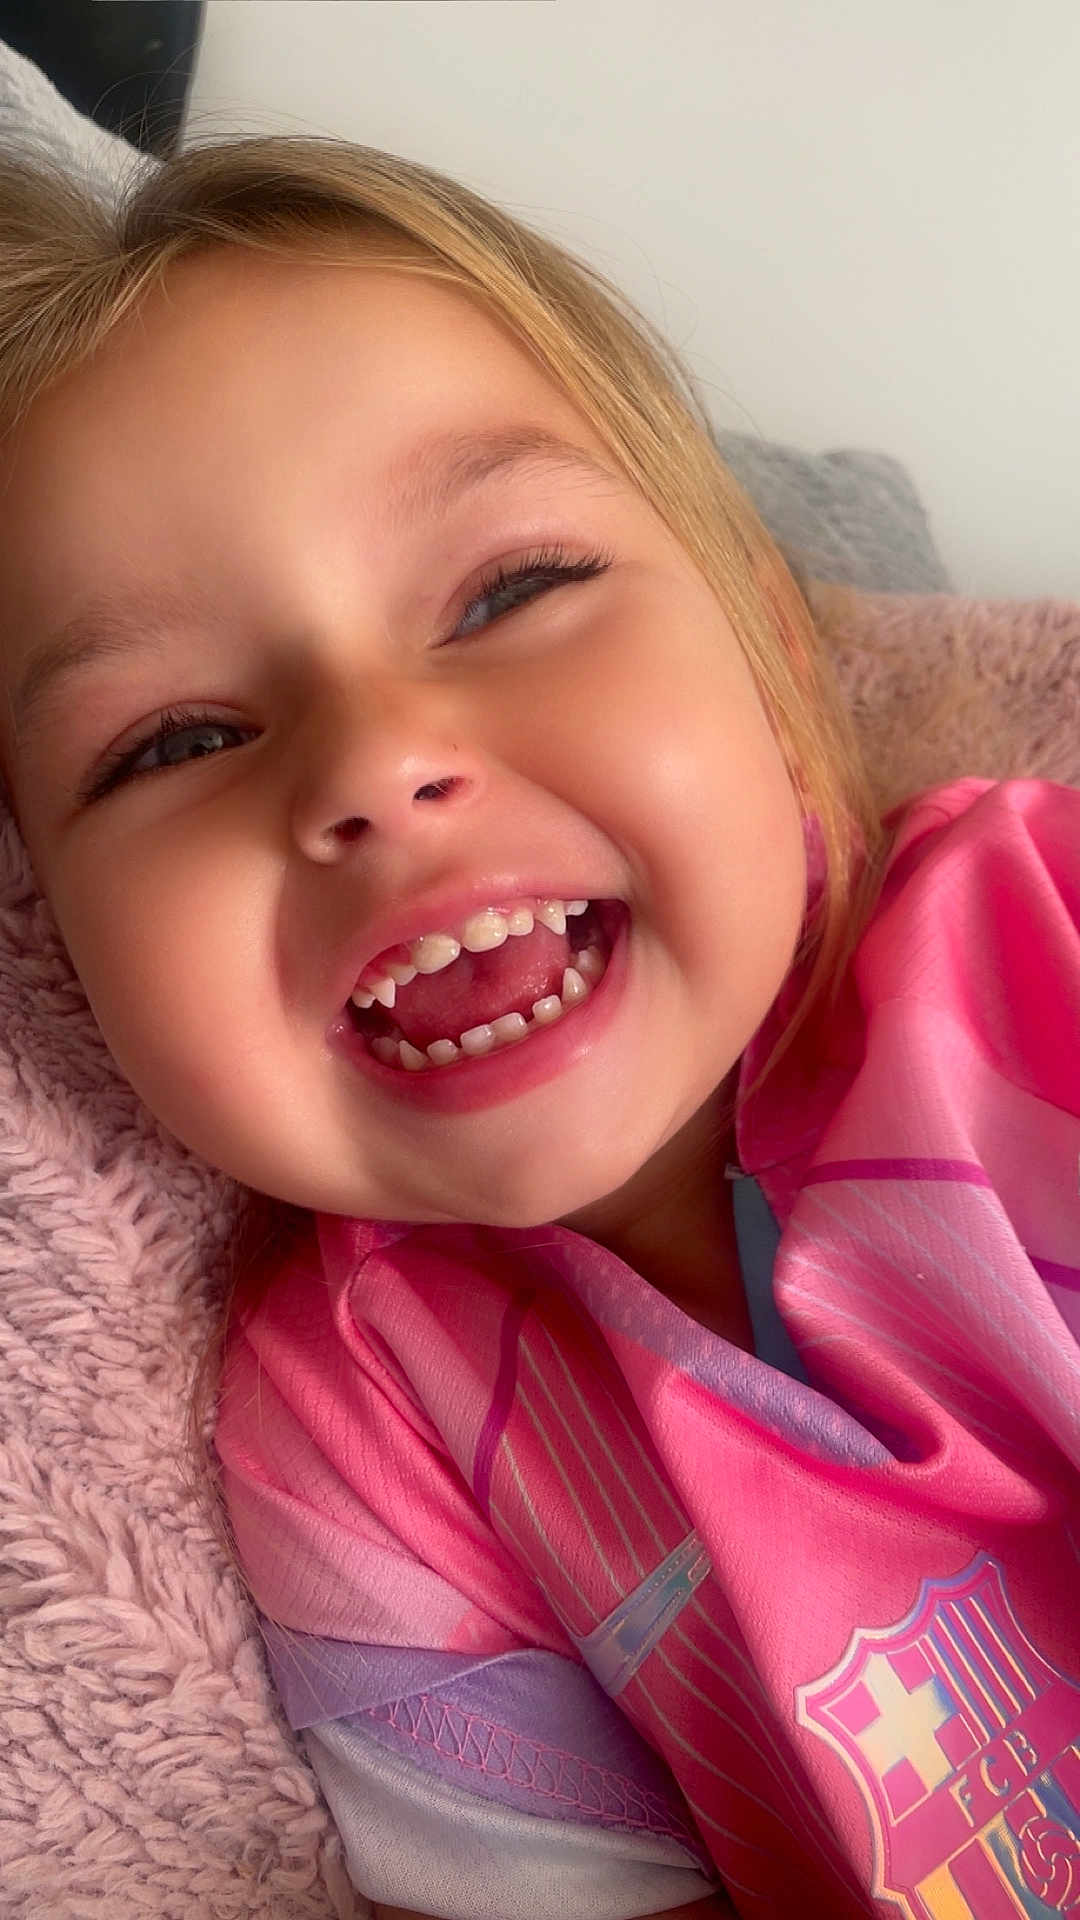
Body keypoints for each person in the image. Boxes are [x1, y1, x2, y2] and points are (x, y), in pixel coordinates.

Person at [0, 133, 1076, 1920]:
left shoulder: (1027, 949)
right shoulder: (353, 1423)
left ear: (772, 656)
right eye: (173, 743)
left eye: (514, 592)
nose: (370, 764)